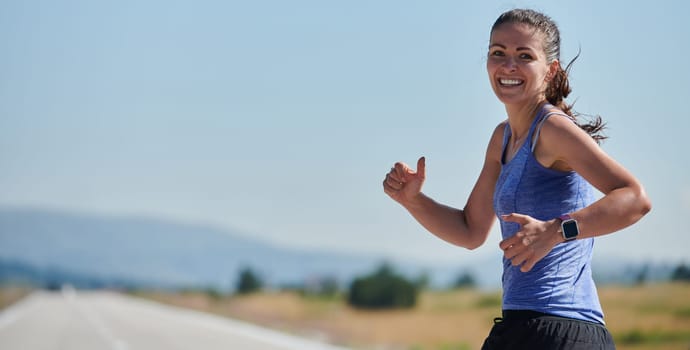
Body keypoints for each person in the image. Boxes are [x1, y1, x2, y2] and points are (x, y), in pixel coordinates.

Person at [382, 8, 651, 350]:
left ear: (550, 71)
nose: (508, 66)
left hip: (564, 331)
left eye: (524, 56)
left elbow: (635, 198)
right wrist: (413, 201)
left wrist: (556, 230)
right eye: (498, 53)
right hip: (519, 326)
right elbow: (470, 230)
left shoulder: (553, 129)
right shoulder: (502, 138)